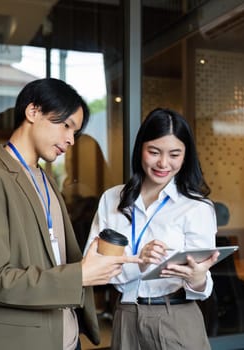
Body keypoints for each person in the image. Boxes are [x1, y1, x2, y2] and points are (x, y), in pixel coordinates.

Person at [0, 78, 140, 350]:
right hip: (18, 341)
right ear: (33, 112)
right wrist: (80, 276)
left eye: (75, 132)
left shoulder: (45, 180)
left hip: (65, 334)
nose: (70, 140)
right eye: (65, 126)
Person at [84, 107, 219, 350]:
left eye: (174, 154)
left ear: (186, 155)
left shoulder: (196, 208)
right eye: (154, 152)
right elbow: (92, 266)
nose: (163, 163)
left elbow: (201, 285)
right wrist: (140, 262)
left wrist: (198, 278)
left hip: (175, 316)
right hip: (125, 315)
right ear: (140, 150)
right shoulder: (112, 199)